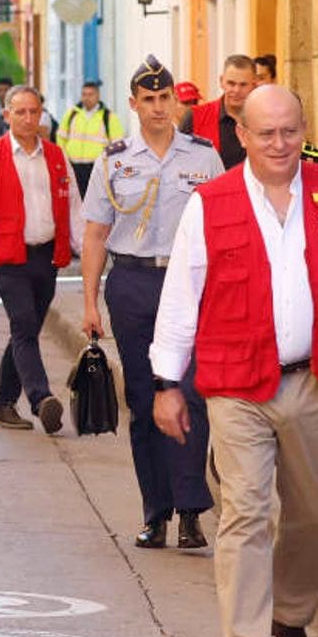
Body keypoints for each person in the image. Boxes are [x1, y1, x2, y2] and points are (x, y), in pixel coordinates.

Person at [150, 84, 318, 637]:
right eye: (265, 133)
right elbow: (181, 297)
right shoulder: (209, 204)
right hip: (237, 386)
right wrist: (166, 381)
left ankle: (290, 617)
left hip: (315, 382)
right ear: (242, 136)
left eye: (290, 130)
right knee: (245, 512)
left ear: (303, 130)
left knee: (314, 516)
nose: (279, 143)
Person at [81, 56, 223, 551]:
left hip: (189, 287)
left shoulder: (203, 157)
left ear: (176, 102)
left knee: (190, 393)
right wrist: (90, 302)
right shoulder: (114, 159)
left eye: (166, 99)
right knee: (144, 401)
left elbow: (223, 228)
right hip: (134, 286)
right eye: (150, 100)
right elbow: (97, 233)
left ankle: (191, 510)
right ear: (134, 104)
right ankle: (155, 511)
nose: (159, 108)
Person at [0, 86, 78, 432]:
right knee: (24, 325)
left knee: (25, 331)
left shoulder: (57, 156)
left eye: (34, 111)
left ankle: (0, 402)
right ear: (8, 115)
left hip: (46, 255)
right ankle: (41, 399)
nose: (28, 118)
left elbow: (75, 209)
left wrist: (90, 260)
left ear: (42, 114)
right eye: (20, 112)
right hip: (8, 257)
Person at [182, 55, 259, 167]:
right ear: (221, 81)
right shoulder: (196, 117)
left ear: (254, 84)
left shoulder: (265, 119)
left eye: (243, 85)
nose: (236, 90)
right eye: (231, 84)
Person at [58, 81, 126, 197]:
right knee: (74, 200)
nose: (86, 98)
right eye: (84, 94)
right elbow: (61, 138)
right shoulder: (72, 114)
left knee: (95, 201)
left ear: (98, 96)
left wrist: (110, 166)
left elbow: (118, 144)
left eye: (90, 94)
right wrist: (64, 159)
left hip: (97, 168)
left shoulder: (108, 117)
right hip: (74, 167)